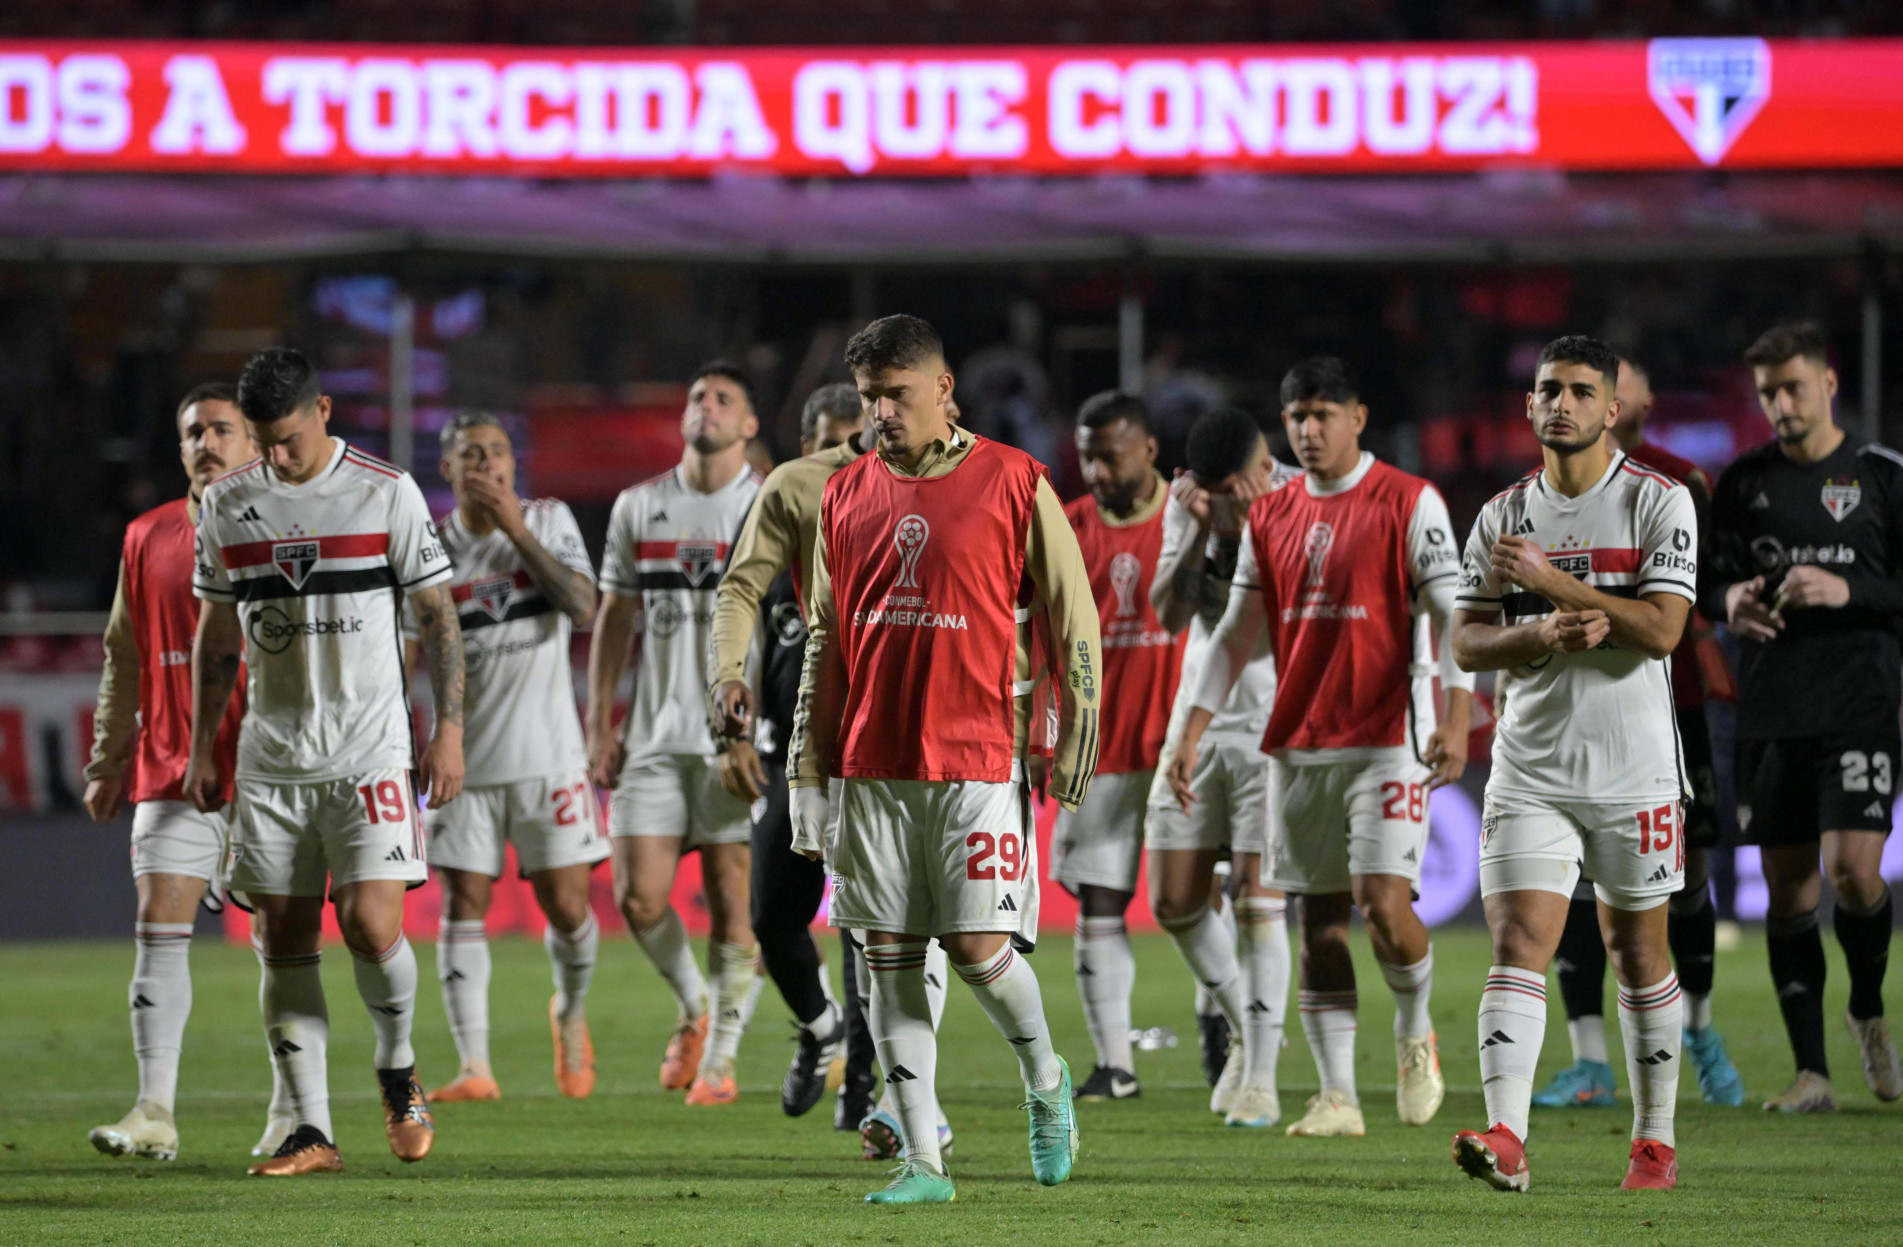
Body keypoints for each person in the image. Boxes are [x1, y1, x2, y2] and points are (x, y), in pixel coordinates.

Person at [787, 313, 1100, 1204]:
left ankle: (1045, 1078)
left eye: (896, 393)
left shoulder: (1013, 479)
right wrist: (809, 773)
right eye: (869, 396)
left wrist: (1073, 732)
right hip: (871, 765)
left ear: (943, 388)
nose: (882, 410)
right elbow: (825, 642)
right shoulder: (845, 494)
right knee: (884, 956)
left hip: (975, 756)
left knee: (975, 948)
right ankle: (924, 1160)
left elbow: (1070, 616)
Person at [1169, 356, 1472, 1140]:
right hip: (1296, 744)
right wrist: (1189, 732)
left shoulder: (1409, 501)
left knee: (1380, 902)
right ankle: (1336, 1095)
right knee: (1317, 925)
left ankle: (1413, 1026)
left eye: (1322, 414)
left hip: (1384, 739)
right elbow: (1233, 634)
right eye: (1296, 415)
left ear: (1357, 418)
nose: (1308, 429)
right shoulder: (1270, 517)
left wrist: (1456, 712)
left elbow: (1453, 614)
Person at [185, 347, 464, 1176]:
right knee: (280, 933)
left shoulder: (385, 491)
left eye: (292, 436)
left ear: (325, 412)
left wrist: (447, 729)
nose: (279, 454)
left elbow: (437, 617)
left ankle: (398, 1068)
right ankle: (310, 1127)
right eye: (266, 440)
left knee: (372, 924)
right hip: (272, 757)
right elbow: (216, 635)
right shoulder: (228, 504)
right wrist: (205, 741)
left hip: (369, 748)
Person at [1449, 334, 1696, 1193]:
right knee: (1518, 942)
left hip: (1634, 771)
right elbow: (1468, 640)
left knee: (1635, 951)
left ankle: (1653, 1141)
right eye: (1547, 389)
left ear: (1611, 407)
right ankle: (1508, 1138)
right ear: (1528, 407)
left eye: (1580, 391)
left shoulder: (1658, 502)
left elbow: (1664, 629)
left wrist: (1561, 589)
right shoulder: (1499, 516)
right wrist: (1535, 631)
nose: (1561, 403)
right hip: (1529, 769)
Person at [1702, 321, 1903, 1112]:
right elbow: (1707, 581)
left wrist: (1849, 591)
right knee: (1786, 889)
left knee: (1852, 869)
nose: (1779, 405)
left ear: (1826, 383)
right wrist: (1731, 604)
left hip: (1858, 699)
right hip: (1772, 705)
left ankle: (1865, 1005)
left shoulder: (1881, 475)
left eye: (1791, 387)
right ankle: (1812, 1073)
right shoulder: (1743, 481)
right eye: (1765, 393)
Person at [1534, 356, 1744, 1110]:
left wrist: (1711, 636)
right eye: (1559, 389)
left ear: (1635, 400)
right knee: (1569, 885)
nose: (1580, 402)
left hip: (1669, 709)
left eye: (1596, 387)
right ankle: (1588, 1058)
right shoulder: (1539, 490)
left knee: (1682, 883)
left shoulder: (1678, 483)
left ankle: (1698, 1028)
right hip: (1567, 718)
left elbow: (1693, 596)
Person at [85, 383, 271, 1162]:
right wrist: (107, 755)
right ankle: (154, 1108)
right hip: (171, 764)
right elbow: (121, 654)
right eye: (193, 431)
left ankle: (298, 1111)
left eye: (221, 429)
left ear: (254, 443)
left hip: (273, 769)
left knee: (282, 939)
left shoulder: (288, 525)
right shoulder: (146, 535)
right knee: (157, 923)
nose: (206, 442)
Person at [412, 413, 607, 1104]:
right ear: (448, 469)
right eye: (472, 454)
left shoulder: (547, 519)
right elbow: (411, 650)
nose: (488, 464)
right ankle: (474, 1066)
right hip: (464, 761)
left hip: (549, 755)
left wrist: (516, 532)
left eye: (497, 452)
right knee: (462, 900)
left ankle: (570, 1008)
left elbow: (584, 606)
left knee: (567, 904)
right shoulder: (430, 546)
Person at [589, 361, 764, 1107]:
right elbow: (613, 617)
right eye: (696, 396)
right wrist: (600, 720)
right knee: (639, 897)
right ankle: (696, 1009)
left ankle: (720, 1060)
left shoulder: (768, 504)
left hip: (734, 738)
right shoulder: (638, 505)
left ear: (749, 425)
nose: (707, 406)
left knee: (731, 898)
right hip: (655, 733)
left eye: (724, 399)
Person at [707, 382, 878, 1126]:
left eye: (858, 431)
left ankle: (870, 1090)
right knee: (773, 913)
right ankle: (819, 1027)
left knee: (867, 923)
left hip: (879, 749)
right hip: (794, 753)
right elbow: (735, 594)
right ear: (808, 444)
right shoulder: (789, 529)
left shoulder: (919, 491)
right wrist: (732, 719)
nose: (846, 449)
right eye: (831, 438)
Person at [1147, 406, 1301, 1126]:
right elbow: (1170, 616)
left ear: (1264, 471)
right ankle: (1248, 1025)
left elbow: (1281, 622)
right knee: (1173, 901)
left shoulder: (1303, 503)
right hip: (1198, 723)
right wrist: (1202, 530)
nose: (1237, 503)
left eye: (1238, 492)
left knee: (1255, 899)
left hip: (1276, 726)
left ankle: (1262, 1077)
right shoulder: (1195, 510)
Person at [1051, 391, 1186, 1102]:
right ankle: (1115, 1065)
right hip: (1099, 748)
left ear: (1148, 450)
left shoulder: (1188, 520)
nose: (1097, 470)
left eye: (1109, 454)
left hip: (1180, 749)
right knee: (1098, 900)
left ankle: (1227, 1025)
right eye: (1086, 456)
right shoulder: (1067, 529)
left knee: (1192, 902)